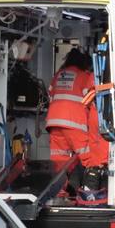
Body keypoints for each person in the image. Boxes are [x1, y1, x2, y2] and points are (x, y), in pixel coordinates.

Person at [44, 47, 96, 179]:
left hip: (54, 123)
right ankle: (91, 185)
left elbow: (50, 95)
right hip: (74, 122)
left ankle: (60, 189)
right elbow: (91, 99)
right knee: (88, 157)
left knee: (58, 160)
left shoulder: (58, 75)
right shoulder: (84, 76)